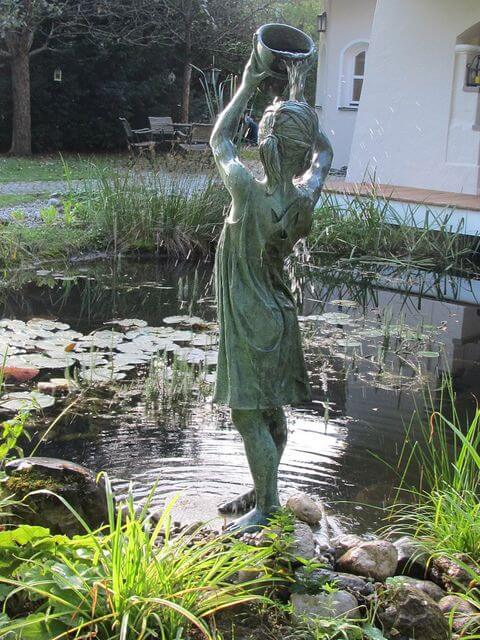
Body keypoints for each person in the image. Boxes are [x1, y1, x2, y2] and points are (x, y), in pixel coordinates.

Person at [210, 48, 333, 531]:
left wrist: (247, 83)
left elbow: (219, 139)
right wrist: (300, 99)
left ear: (266, 145)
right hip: (281, 314)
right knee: (271, 410)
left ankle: (267, 508)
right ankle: (266, 486)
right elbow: (323, 152)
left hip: (248, 314)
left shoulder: (245, 188)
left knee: (246, 416)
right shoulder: (306, 196)